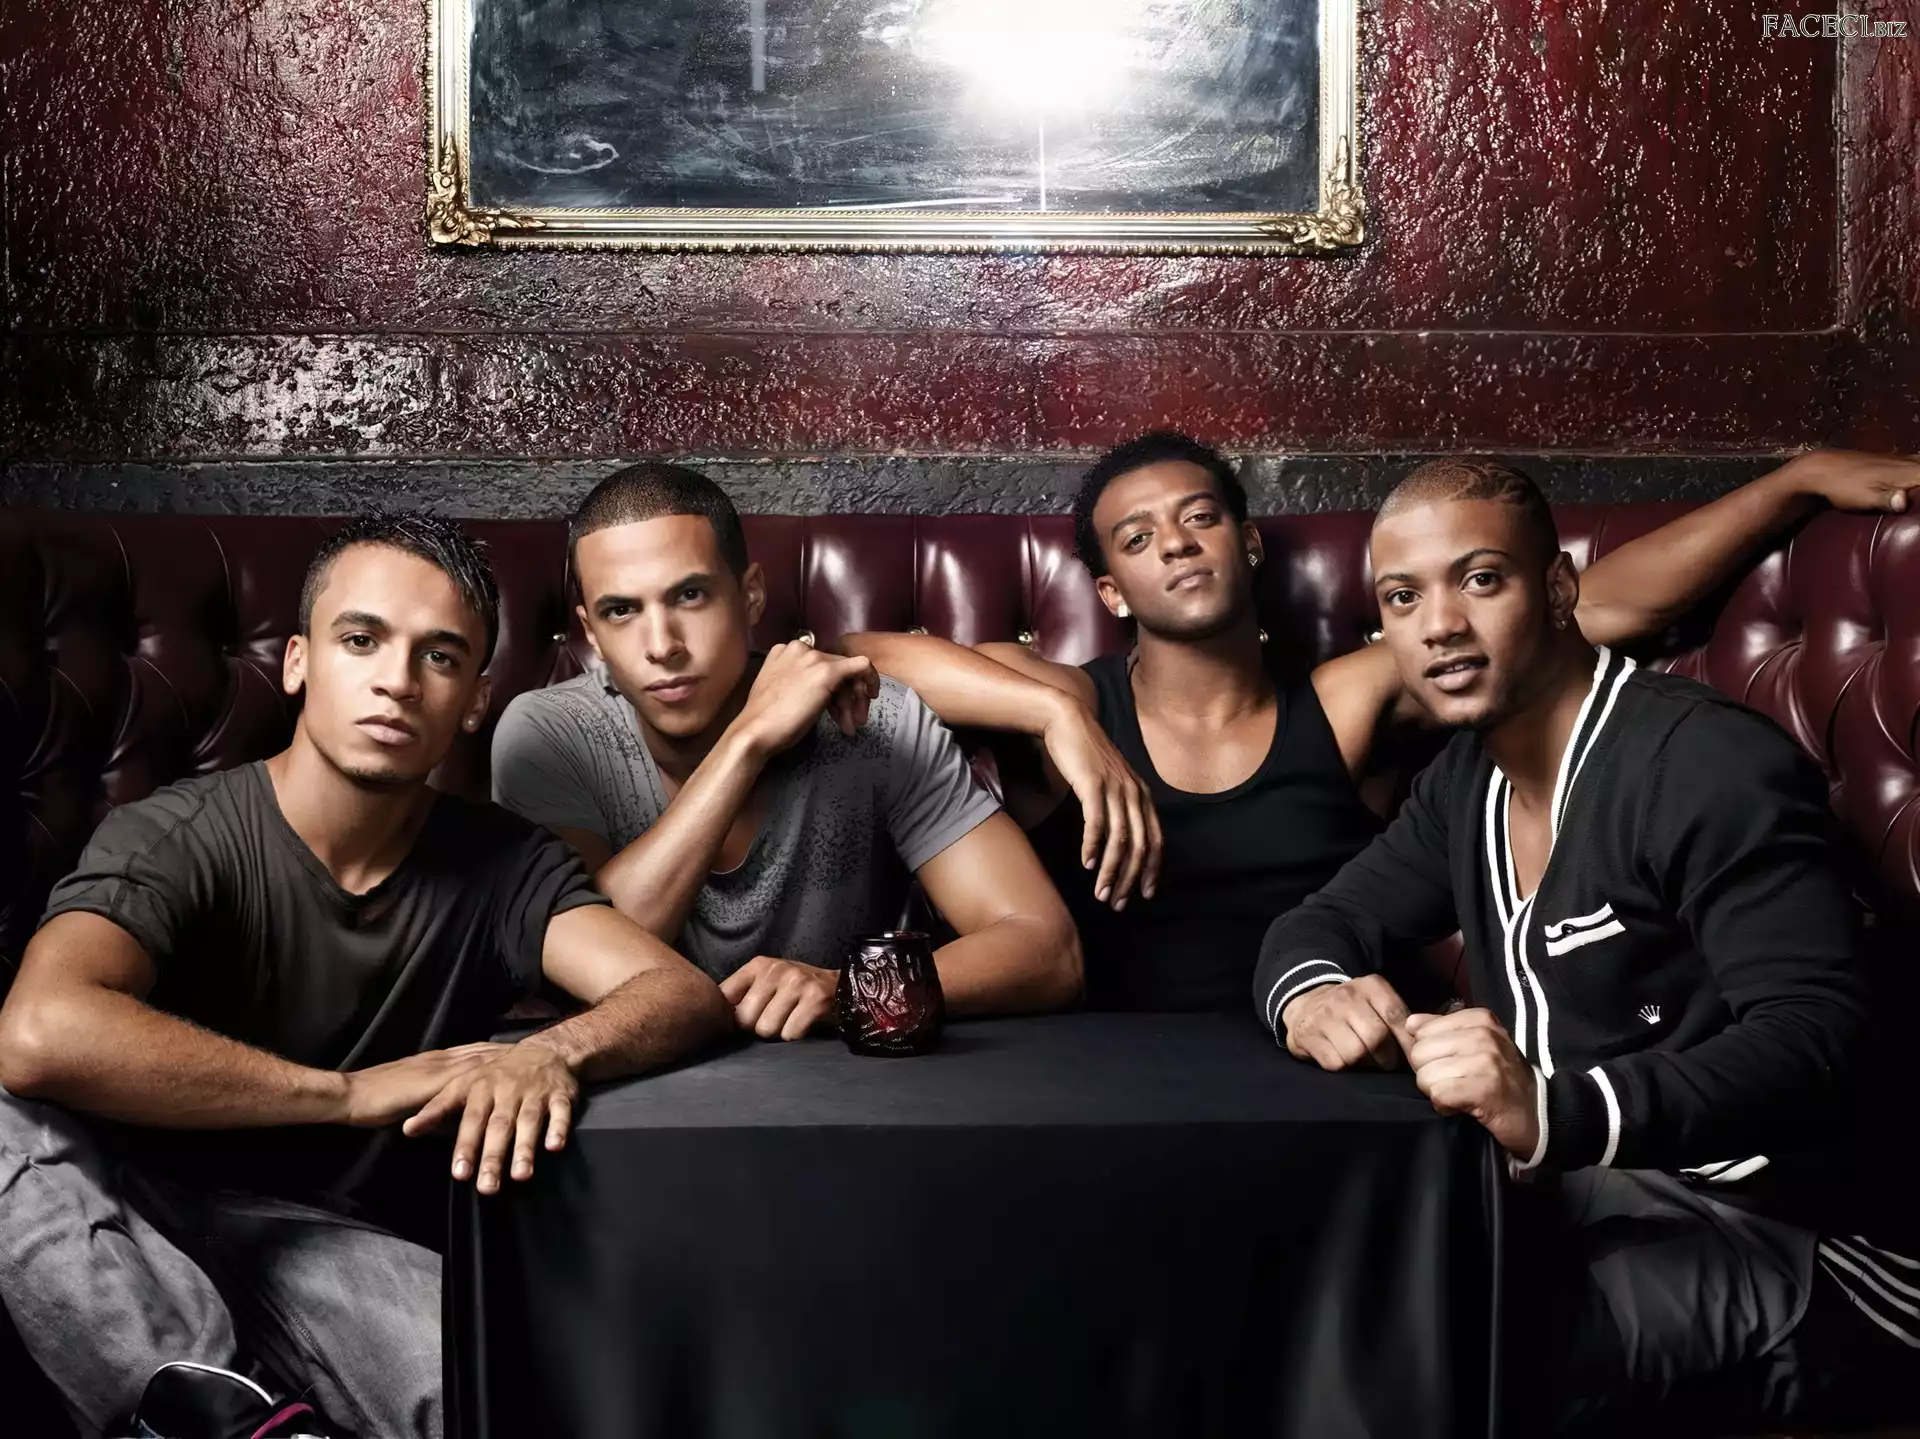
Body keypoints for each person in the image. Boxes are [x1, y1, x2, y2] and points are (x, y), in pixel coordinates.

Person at [0, 515, 733, 1439]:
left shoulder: (502, 863)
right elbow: (37, 1033)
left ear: (475, 699)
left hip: (326, 1242)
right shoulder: (177, 835)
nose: (397, 680)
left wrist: (552, 1051)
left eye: (440, 655)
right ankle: (218, 1415)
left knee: (507, 1396)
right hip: (120, 1214)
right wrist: (343, 1095)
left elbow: (677, 991)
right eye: (361, 640)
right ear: (299, 661)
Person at [1254, 461, 1918, 1434]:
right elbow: (1316, 924)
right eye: (1402, 597)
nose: (1439, 624)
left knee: (1455, 1356)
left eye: (1481, 579)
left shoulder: (1702, 762)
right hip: (1610, 1186)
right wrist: (1314, 992)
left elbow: (1821, 1034)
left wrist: (1552, 1108)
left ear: (1560, 589)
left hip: (1821, 1239)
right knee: (1305, 1272)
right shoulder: (1467, 778)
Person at [845, 434, 1920, 1011]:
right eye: (1138, 537)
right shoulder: (1073, 703)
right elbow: (858, 655)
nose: (1175, 543)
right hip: (1103, 1069)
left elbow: (1599, 605)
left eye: (1201, 516)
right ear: (1111, 589)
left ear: (1248, 545)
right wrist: (1050, 711)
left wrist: (1793, 483)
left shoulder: (1351, 695)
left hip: (1339, 1055)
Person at [490, 464, 1082, 1041]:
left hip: (843, 1084)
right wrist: (747, 742)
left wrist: (850, 990)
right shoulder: (552, 733)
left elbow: (1049, 951)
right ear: (591, 632)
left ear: (750, 596)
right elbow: (583, 977)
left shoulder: (872, 719)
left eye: (690, 595)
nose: (662, 646)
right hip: (631, 1085)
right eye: (621, 611)